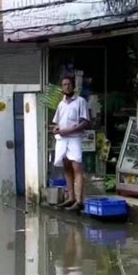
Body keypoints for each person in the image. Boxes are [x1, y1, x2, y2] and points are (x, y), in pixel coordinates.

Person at [52, 76, 90, 211]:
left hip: (74, 138)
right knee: (67, 168)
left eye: (69, 84)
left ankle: (79, 201)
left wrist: (69, 130)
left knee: (77, 168)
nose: (66, 86)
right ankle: (71, 198)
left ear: (73, 86)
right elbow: (57, 122)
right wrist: (56, 129)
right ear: (62, 88)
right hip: (62, 140)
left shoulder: (80, 101)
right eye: (64, 84)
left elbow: (85, 122)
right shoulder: (61, 104)